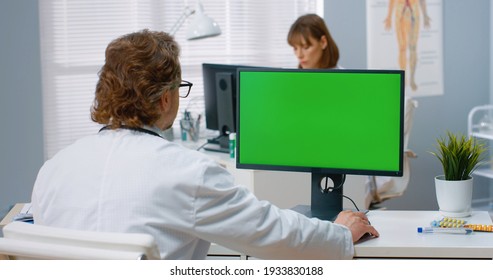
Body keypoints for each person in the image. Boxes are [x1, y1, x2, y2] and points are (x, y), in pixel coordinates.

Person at [31, 29, 378, 260]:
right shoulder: (186, 172)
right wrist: (340, 235)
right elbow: (271, 233)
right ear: (166, 99)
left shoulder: (54, 169)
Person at [384, 0, 431, 91]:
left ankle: (412, 78)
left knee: (413, 47)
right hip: (400, 11)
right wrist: (389, 16)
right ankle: (404, 77)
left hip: (414, 10)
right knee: (402, 47)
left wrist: (425, 15)